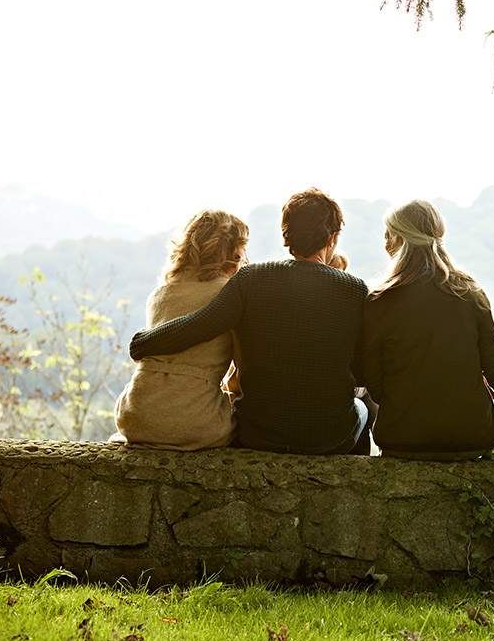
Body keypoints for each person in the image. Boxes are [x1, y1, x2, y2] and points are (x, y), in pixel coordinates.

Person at [128, 188, 370, 455]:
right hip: (328, 437)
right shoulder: (355, 290)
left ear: (285, 234)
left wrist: (142, 343)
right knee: (361, 408)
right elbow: (363, 368)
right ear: (333, 237)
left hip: (257, 433)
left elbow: (197, 326)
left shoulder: (251, 279)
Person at [359, 200, 494, 460]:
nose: (384, 244)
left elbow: (371, 378)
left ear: (399, 240)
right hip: (472, 438)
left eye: (387, 235)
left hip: (401, 438)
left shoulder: (379, 300)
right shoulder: (470, 293)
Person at [111, 210, 249, 450]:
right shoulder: (230, 295)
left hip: (134, 416)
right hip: (195, 423)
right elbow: (242, 369)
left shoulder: (158, 295)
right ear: (234, 251)